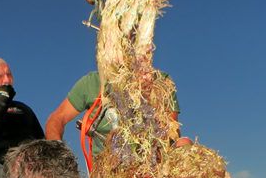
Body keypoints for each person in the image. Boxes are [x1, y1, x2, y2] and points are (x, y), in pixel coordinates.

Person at [45, 70, 184, 166]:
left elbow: (171, 131)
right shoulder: (92, 83)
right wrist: (58, 154)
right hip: (105, 171)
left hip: (150, 168)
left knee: (185, 144)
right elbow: (57, 118)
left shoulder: (161, 83)